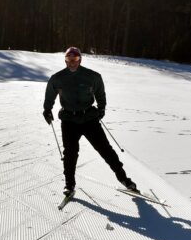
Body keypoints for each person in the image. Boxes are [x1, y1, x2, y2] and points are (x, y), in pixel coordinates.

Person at [43, 47, 136, 197]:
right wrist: (47, 109)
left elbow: (100, 93)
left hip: (89, 118)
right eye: (68, 60)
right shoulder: (58, 78)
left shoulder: (92, 76)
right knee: (70, 154)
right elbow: (50, 94)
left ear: (80, 60)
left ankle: (124, 178)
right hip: (69, 120)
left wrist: (101, 108)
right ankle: (69, 185)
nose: (72, 63)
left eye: (75, 60)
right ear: (65, 60)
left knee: (105, 150)